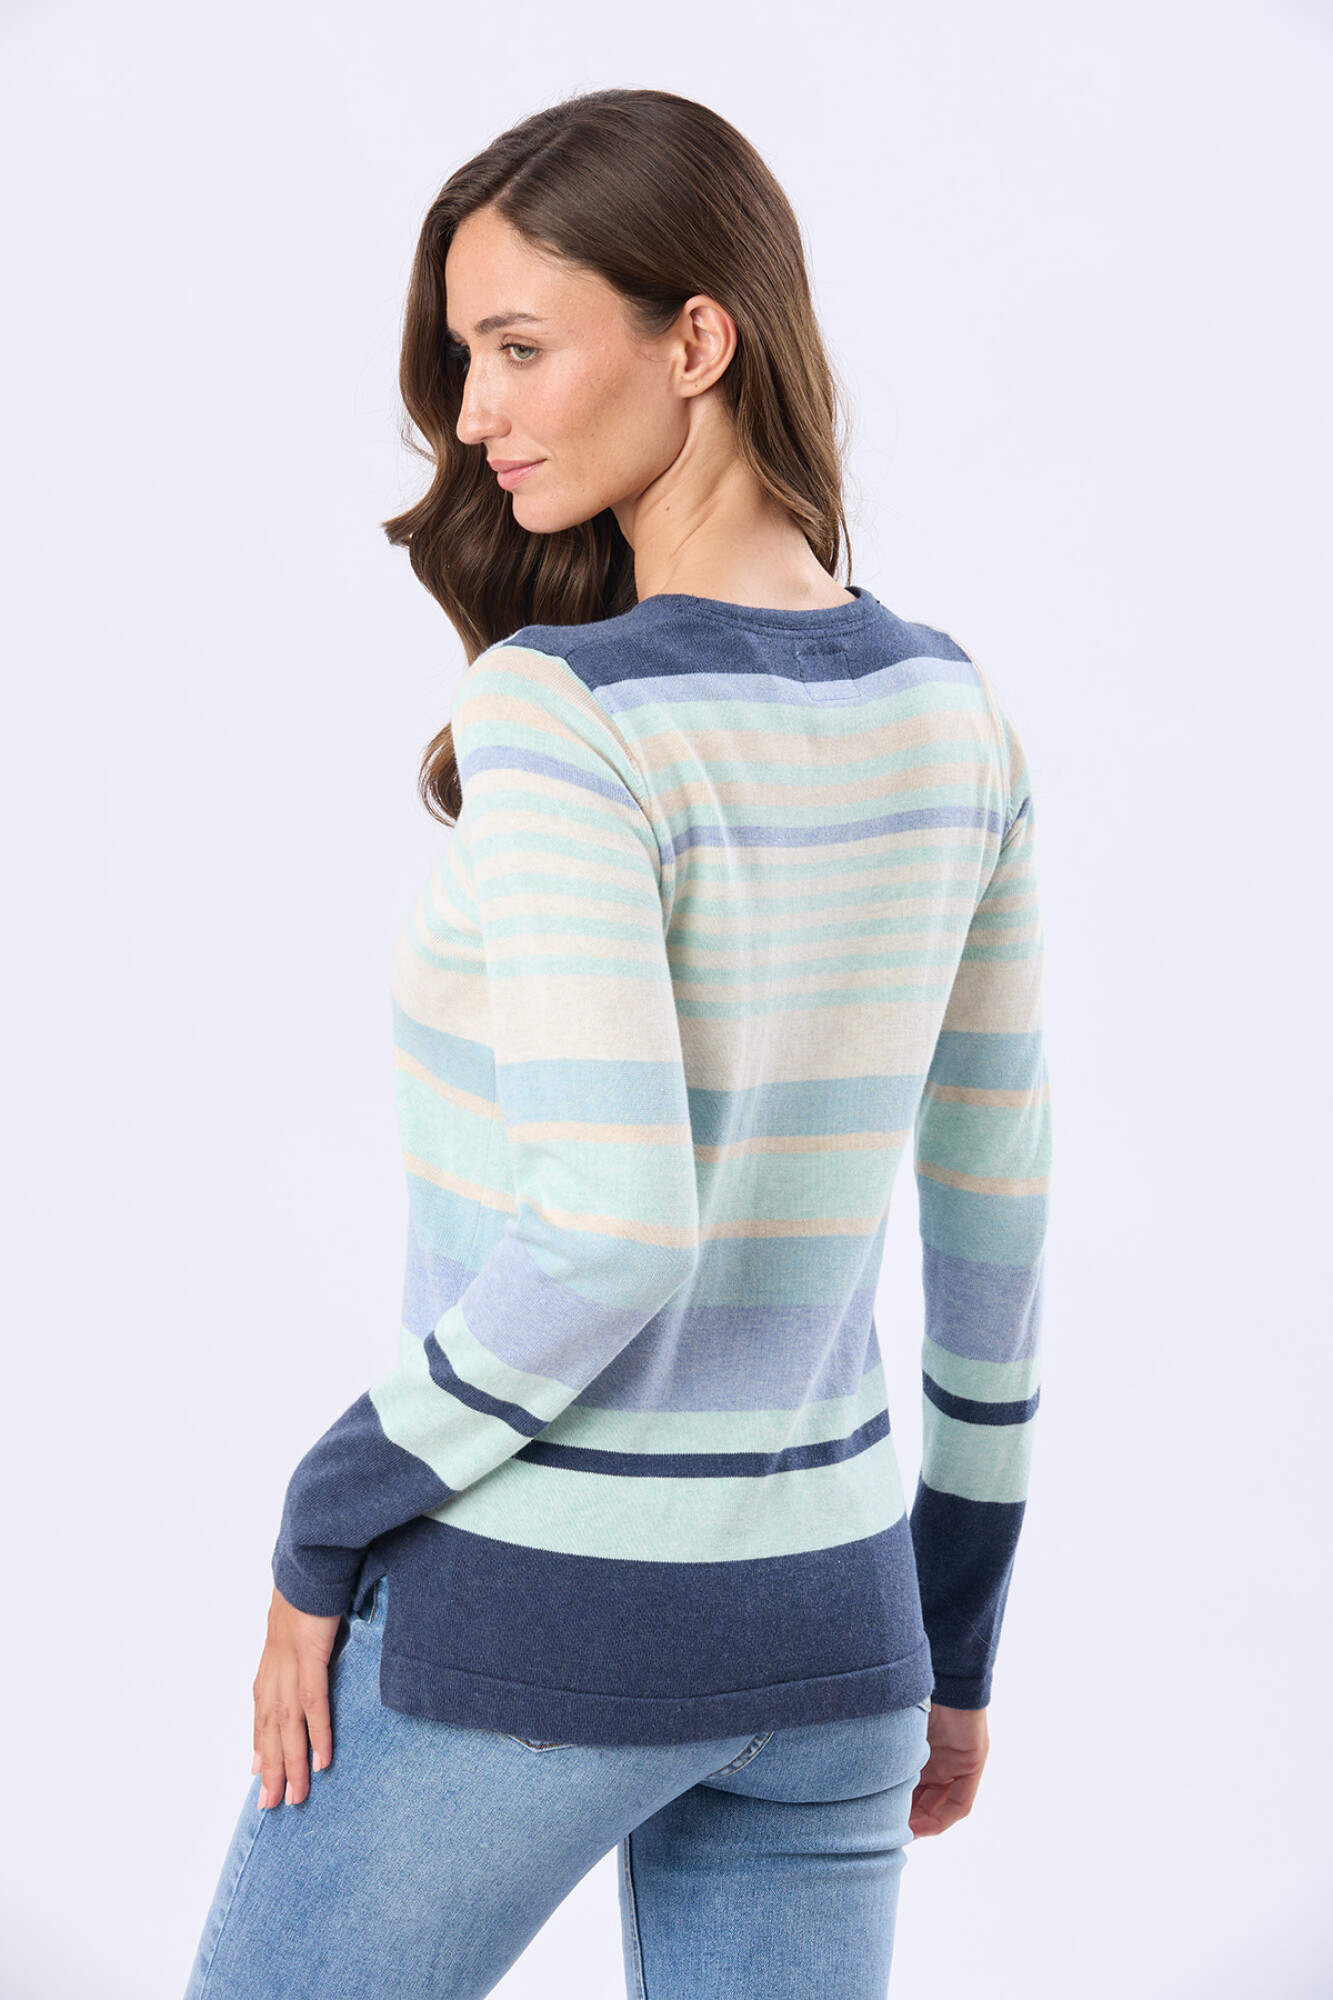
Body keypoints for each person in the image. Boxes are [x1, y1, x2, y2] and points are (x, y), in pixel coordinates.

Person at [183, 85, 1052, 2000]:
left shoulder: (562, 709)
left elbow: (608, 1229)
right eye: (461, 358)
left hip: (536, 1624)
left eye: (515, 349)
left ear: (695, 340)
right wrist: (951, 1637)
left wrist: (325, 1518)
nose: (472, 414)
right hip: (839, 1642)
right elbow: (996, 1219)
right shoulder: (954, 711)